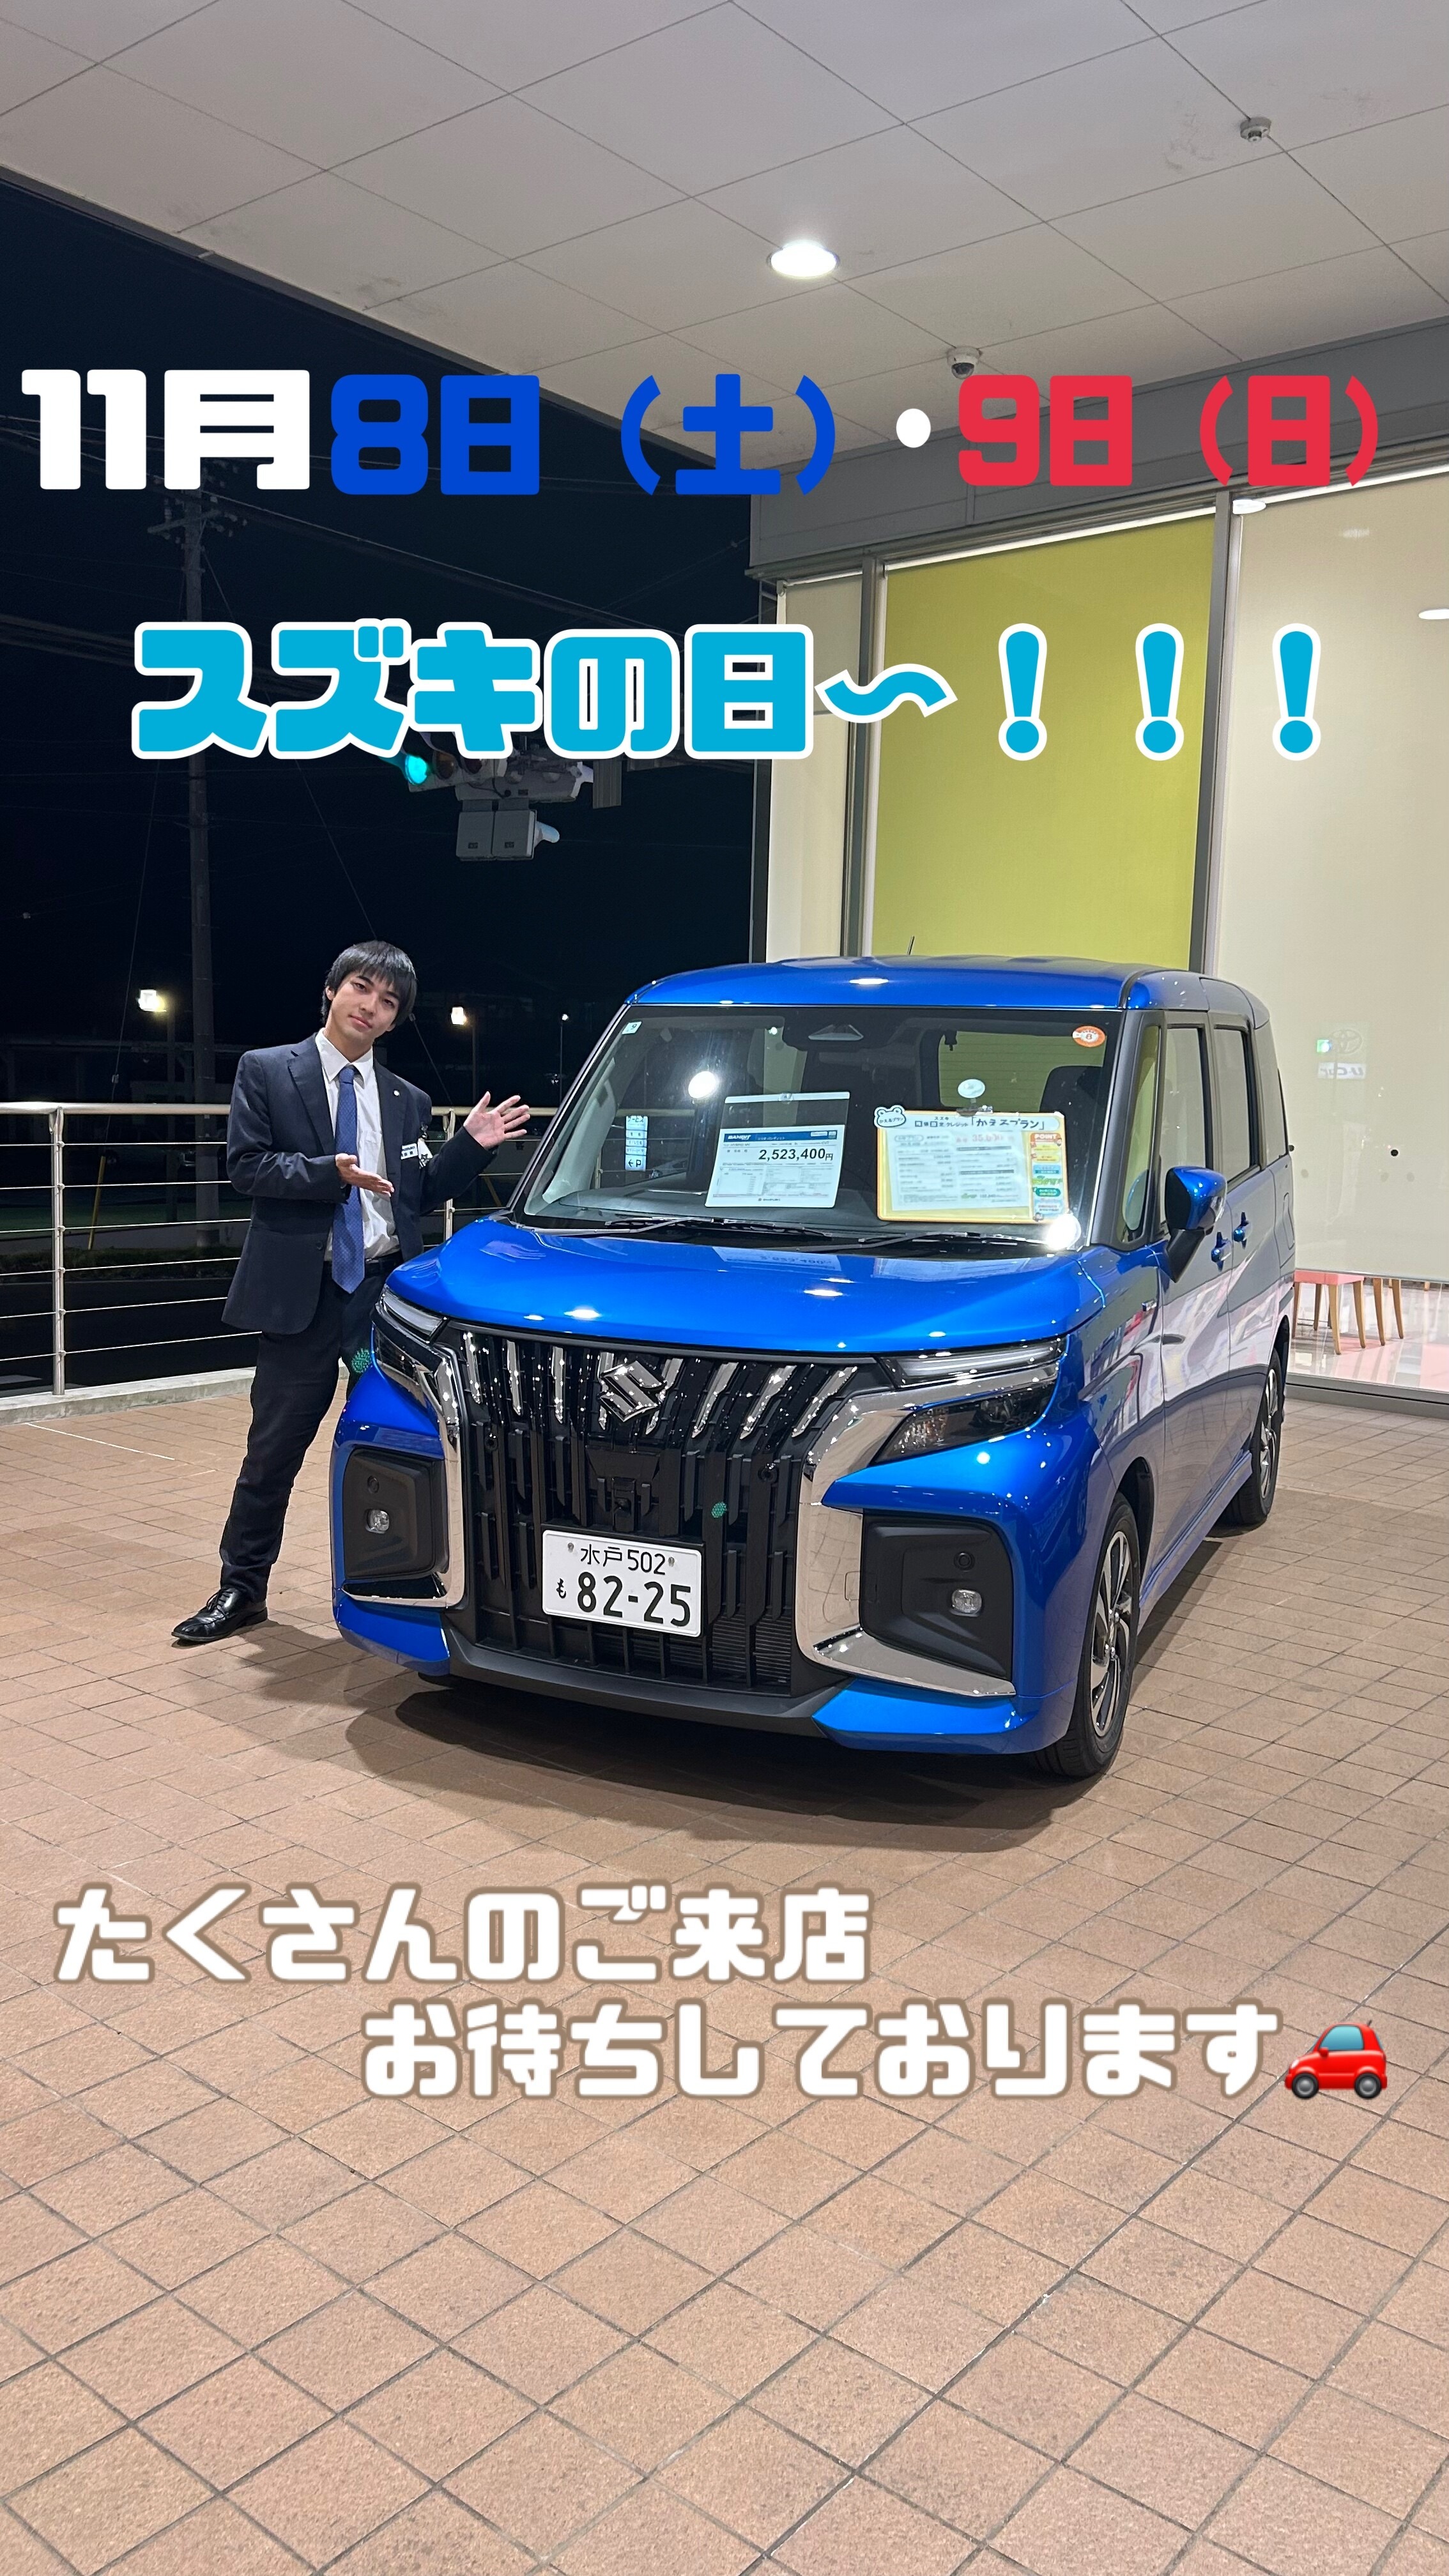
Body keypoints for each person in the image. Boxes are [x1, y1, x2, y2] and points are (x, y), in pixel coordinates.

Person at [173, 939, 530, 1644]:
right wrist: (326, 1173)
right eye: (362, 988)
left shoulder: (406, 1099)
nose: (371, 1006)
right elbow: (246, 1167)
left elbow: (417, 1193)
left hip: (379, 1301)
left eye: (389, 1001)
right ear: (332, 991)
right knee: (272, 1451)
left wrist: (471, 1145)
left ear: (395, 1021)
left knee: (402, 1443)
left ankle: (406, 1589)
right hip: (303, 1300)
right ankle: (241, 1588)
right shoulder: (267, 1070)